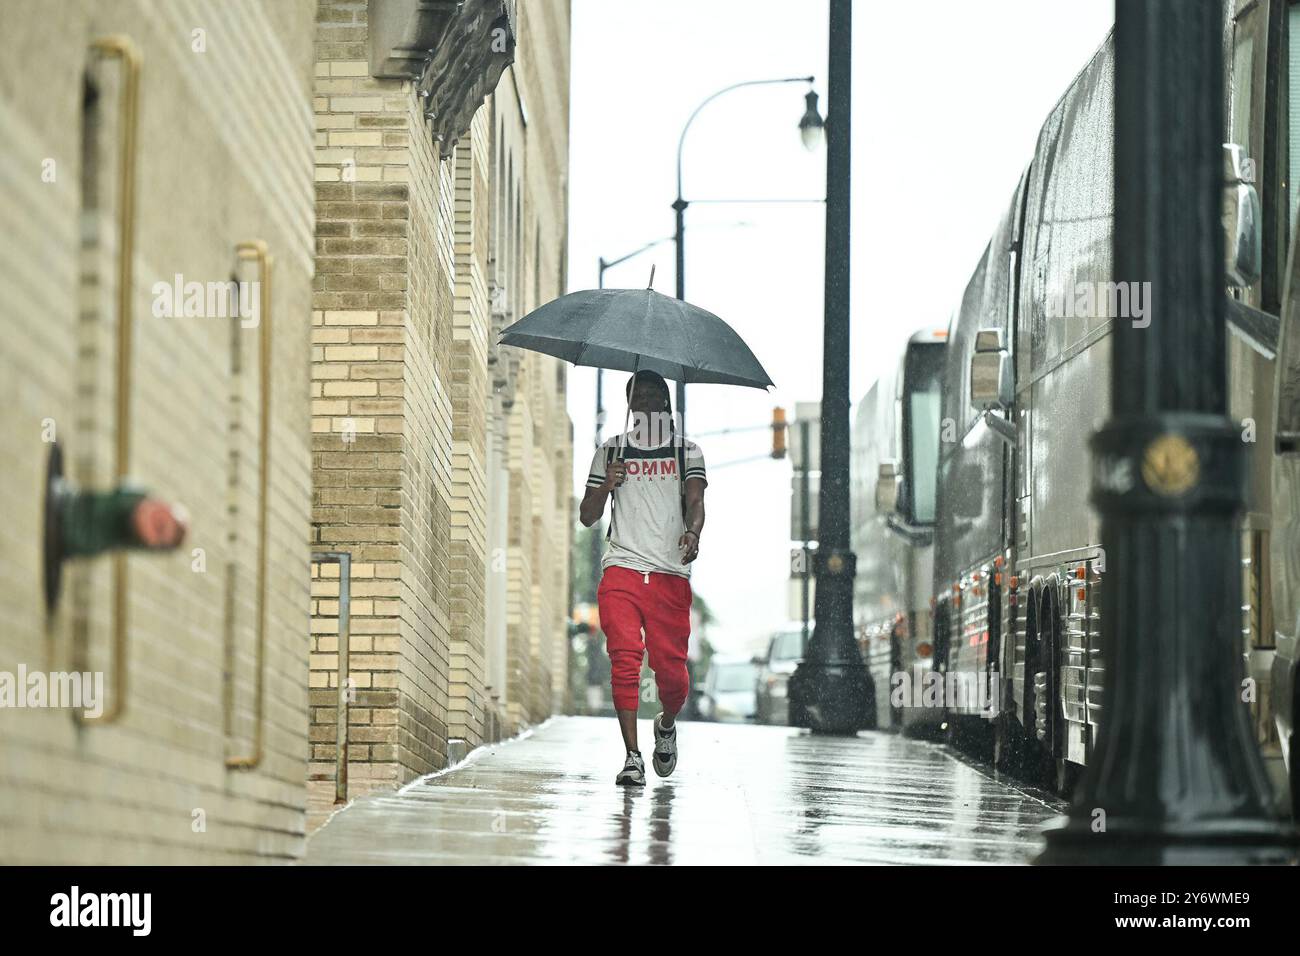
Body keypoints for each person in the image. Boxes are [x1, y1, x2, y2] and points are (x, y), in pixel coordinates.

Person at [579, 370, 706, 786]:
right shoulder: (610, 452)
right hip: (623, 568)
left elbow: (695, 500)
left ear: (666, 405)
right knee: (625, 658)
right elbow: (587, 515)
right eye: (640, 397)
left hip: (670, 573)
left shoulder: (686, 451)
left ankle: (666, 724)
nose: (648, 403)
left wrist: (693, 532)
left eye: (656, 396)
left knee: (672, 675)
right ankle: (632, 756)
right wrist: (606, 486)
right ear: (630, 405)